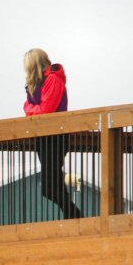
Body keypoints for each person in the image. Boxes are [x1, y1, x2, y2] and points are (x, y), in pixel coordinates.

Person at [23, 48, 82, 219]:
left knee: (49, 186)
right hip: (43, 137)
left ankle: (74, 215)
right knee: (52, 183)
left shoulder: (53, 79)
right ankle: (73, 216)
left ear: (35, 65)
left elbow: (46, 110)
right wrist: (33, 109)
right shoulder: (37, 84)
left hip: (56, 135)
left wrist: (31, 109)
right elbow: (28, 108)